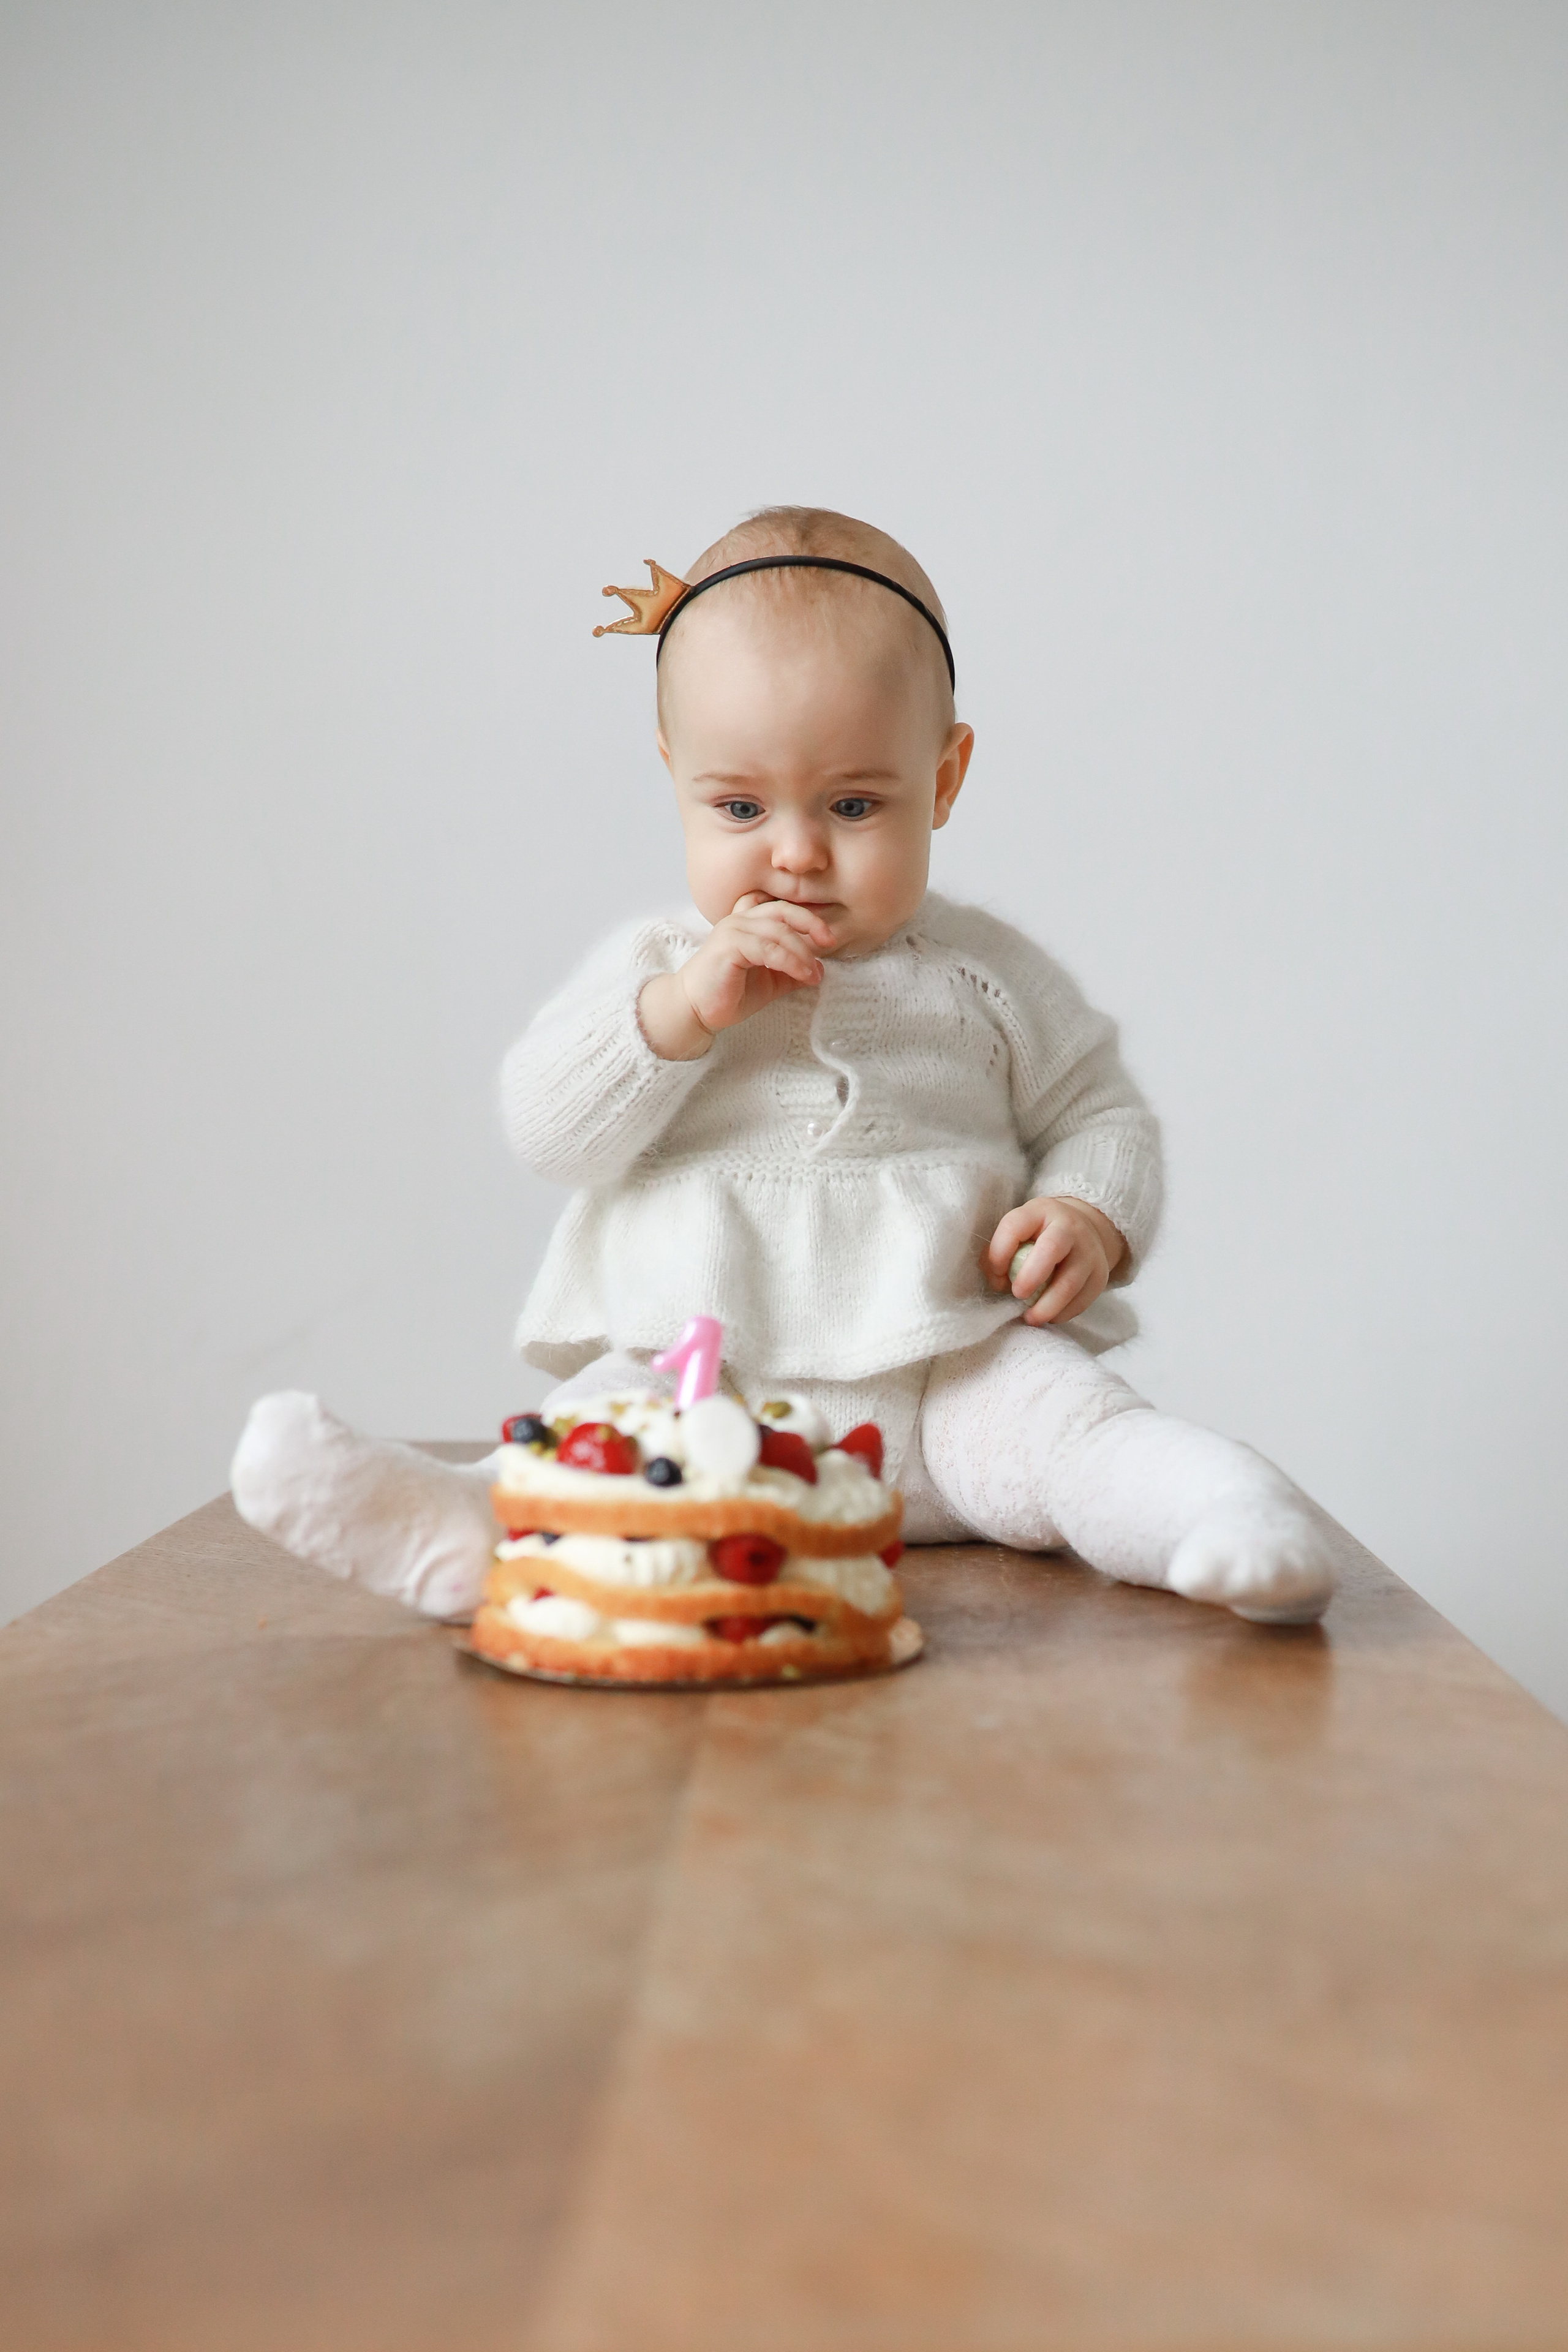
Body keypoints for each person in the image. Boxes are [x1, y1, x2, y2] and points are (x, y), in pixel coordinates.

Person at [232, 506, 1335, 1627]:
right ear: (677, 780)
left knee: (1082, 1431)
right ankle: (464, 1533)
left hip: (951, 1383)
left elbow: (1104, 1112)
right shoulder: (663, 969)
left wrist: (1088, 1212)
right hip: (705, 1384)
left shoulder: (987, 979)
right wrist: (676, 1016)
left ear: (945, 779)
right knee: (594, 1434)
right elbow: (547, 1129)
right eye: (741, 807)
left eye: (855, 805)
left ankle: (1223, 1516)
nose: (798, 852)